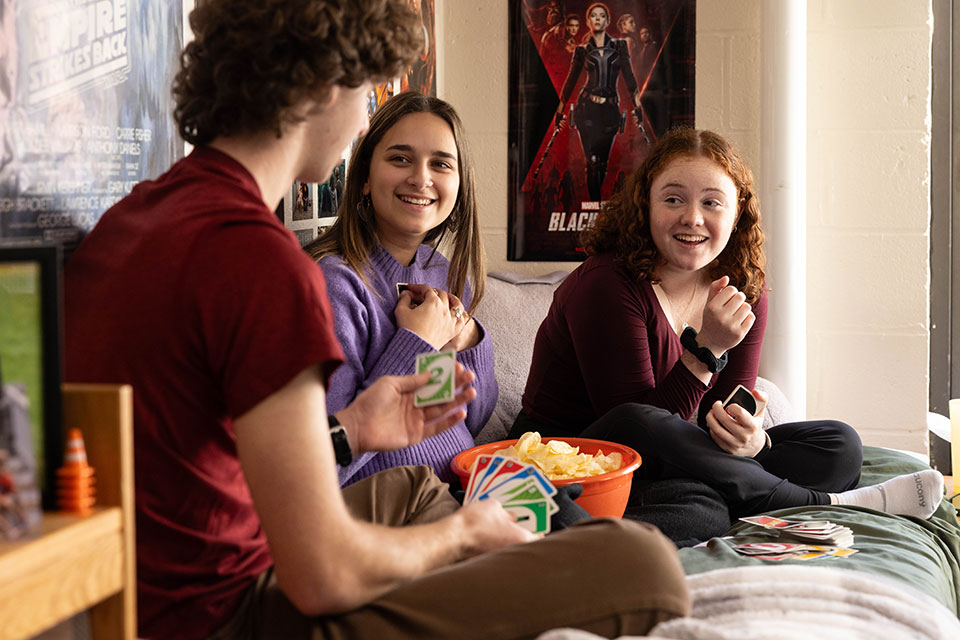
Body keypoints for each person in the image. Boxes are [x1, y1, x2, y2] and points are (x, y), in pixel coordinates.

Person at [62, 1, 690, 638]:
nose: (362, 115)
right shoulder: (266, 263)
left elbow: (234, 451)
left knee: (419, 489)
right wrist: (461, 534)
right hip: (232, 610)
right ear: (324, 85)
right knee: (646, 564)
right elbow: (323, 574)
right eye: (366, 93)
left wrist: (355, 428)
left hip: (188, 574)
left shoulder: (140, 216)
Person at [510, 127, 944, 527]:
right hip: (575, 455)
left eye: (712, 202)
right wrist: (706, 350)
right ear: (646, 207)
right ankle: (819, 505)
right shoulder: (606, 284)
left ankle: (732, 493)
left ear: (736, 215)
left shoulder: (745, 290)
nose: (693, 218)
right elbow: (639, 432)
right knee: (661, 454)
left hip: (677, 454)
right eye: (673, 199)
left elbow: (716, 418)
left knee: (839, 445)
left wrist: (751, 440)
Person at [305, 91, 497, 487]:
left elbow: (468, 422)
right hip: (399, 501)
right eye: (400, 158)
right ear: (364, 180)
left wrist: (467, 338)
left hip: (464, 478)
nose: (421, 178)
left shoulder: (441, 272)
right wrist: (417, 341)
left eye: (440, 164)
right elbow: (324, 461)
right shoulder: (335, 285)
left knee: (588, 525)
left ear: (459, 187)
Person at [554, 2, 644, 202]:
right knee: (593, 161)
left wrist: (638, 108)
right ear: (588, 21)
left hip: (610, 110)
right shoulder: (582, 50)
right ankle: (594, 203)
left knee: (602, 161)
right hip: (587, 109)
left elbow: (629, 78)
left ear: (607, 20)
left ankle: (596, 207)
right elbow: (570, 81)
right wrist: (559, 111)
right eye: (593, 15)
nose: (597, 19)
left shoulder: (620, 46)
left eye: (601, 15)